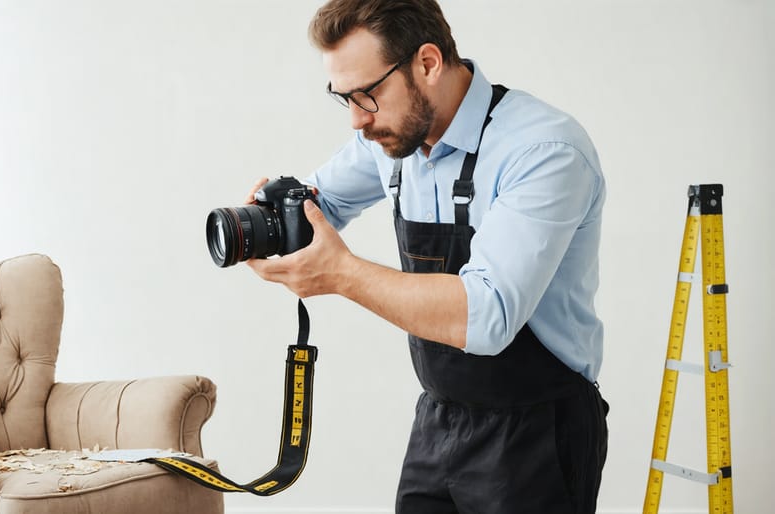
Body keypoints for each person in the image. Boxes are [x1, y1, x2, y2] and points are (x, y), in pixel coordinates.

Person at [246, 0, 609, 512]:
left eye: (367, 95)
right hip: (439, 420)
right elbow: (317, 207)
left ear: (428, 63)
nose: (356, 121)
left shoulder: (543, 149)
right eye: (342, 98)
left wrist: (342, 274)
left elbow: (487, 315)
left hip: (538, 431)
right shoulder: (390, 137)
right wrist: (269, 225)